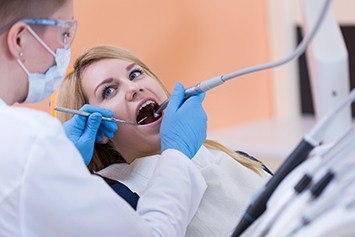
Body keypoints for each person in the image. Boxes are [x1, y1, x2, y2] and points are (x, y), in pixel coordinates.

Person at [0, 0, 209, 236]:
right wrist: (178, 155)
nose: (133, 89)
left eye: (136, 73)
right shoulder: (30, 143)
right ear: (19, 39)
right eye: (64, 33)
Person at [56, 45, 273, 237]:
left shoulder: (234, 158)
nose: (133, 88)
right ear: (97, 129)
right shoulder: (118, 203)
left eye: (135, 74)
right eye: (108, 91)